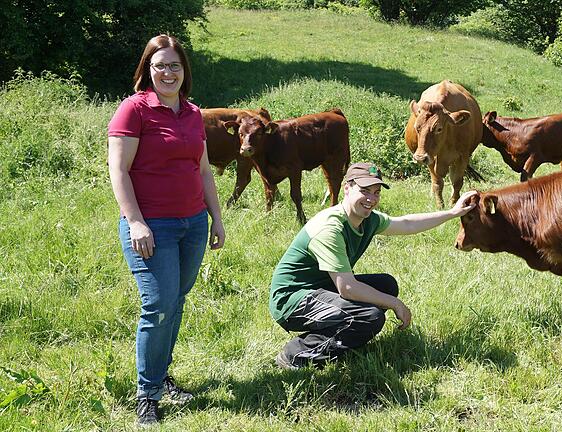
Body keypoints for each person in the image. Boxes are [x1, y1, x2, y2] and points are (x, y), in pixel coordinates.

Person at [107, 34, 225, 425]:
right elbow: (119, 171)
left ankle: (160, 376)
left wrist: (216, 219)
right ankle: (147, 394)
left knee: (175, 302)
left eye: (175, 65)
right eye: (160, 65)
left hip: (192, 224)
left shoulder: (192, 113)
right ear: (148, 69)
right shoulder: (133, 110)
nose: (168, 72)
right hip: (151, 226)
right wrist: (136, 222)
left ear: (184, 71)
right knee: (158, 306)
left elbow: (204, 170)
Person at [269, 162, 476, 369]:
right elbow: (347, 288)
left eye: (376, 192)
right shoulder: (329, 228)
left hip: (320, 288)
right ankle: (296, 354)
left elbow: (406, 223)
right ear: (347, 188)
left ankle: (344, 335)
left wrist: (452, 213)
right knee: (369, 317)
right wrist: (395, 304)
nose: (371, 199)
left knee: (385, 286)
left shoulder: (366, 220)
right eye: (364, 191)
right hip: (292, 300)